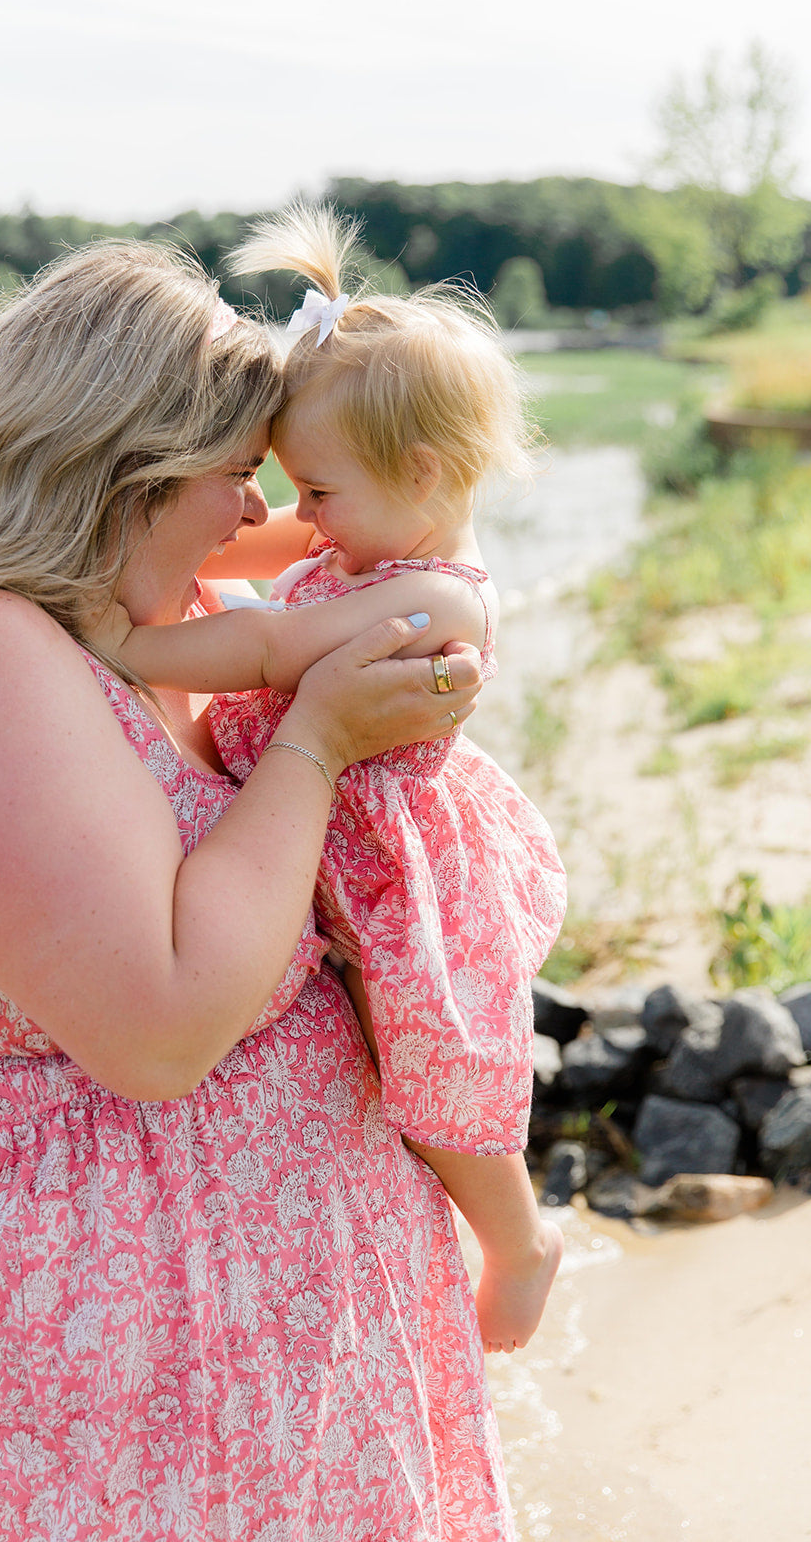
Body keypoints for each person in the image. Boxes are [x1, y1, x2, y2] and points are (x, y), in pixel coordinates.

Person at [0, 237, 516, 1540]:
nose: (253, 515)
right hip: (95, 1389)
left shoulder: (164, 613)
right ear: (126, 468)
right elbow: (161, 1029)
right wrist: (316, 743)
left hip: (306, 1352)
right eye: (234, 474)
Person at [99, 205, 568, 1358]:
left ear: (420, 472)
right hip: (339, 848)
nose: (295, 515)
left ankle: (515, 1239)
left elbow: (267, 647)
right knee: (371, 1054)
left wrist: (122, 647)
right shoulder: (368, 534)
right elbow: (229, 546)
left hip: (399, 863)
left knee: (434, 1064)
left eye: (315, 491)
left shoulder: (431, 597)